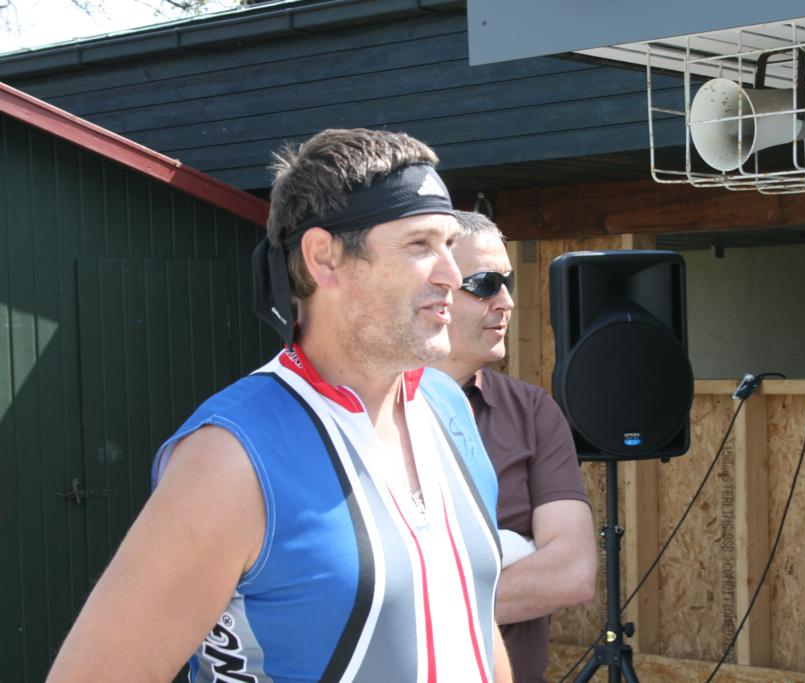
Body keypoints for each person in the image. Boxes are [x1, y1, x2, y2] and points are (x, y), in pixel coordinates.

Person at [47, 129, 512, 683]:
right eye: (420, 245)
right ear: (324, 258)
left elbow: (471, 621)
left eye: (450, 244)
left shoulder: (447, 405)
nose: (453, 275)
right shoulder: (231, 457)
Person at [433, 210, 597, 682]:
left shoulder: (531, 411)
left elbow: (572, 572)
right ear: (431, 290)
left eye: (506, 282)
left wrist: (418, 606)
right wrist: (517, 560)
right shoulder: (370, 411)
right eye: (485, 284)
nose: (506, 301)